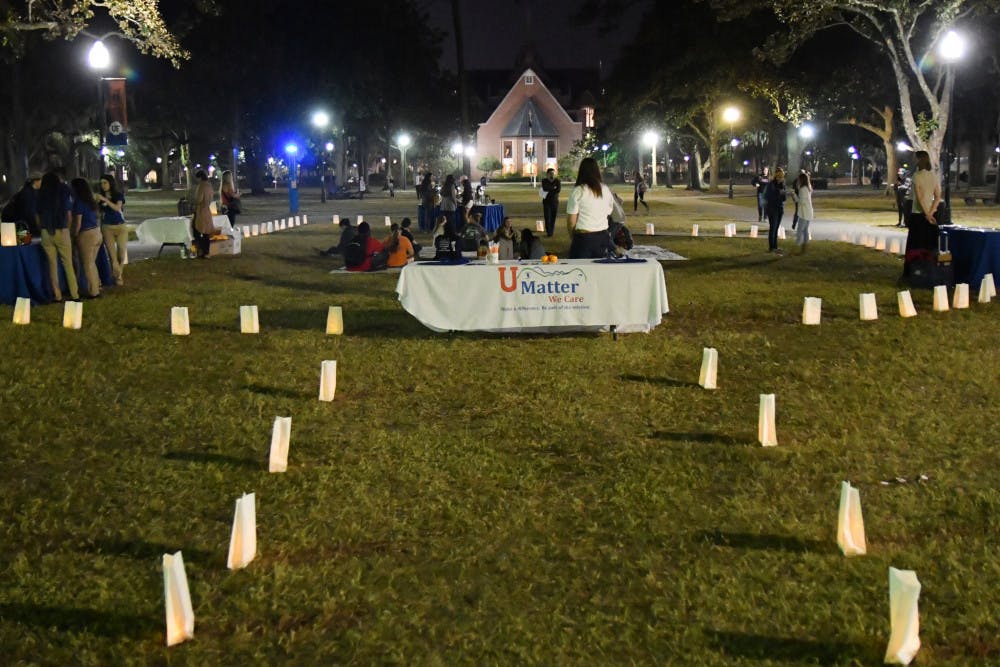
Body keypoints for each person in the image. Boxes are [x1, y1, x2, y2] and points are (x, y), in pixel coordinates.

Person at [36, 171, 79, 301]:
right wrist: (68, 228)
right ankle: (74, 295)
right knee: (68, 263)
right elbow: (69, 214)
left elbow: (37, 215)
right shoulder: (64, 190)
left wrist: (42, 228)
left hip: (46, 231)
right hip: (62, 230)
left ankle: (57, 294)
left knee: (52, 265)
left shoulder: (40, 193)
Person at [566, 157, 615, 259]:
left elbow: (571, 221)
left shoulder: (579, 191)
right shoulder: (605, 189)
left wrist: (573, 237)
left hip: (584, 238)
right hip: (603, 237)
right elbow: (608, 211)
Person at [903, 150, 942, 275]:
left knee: (915, 245)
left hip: (918, 215)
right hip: (930, 215)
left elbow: (919, 199)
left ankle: (913, 271)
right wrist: (931, 213)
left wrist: (926, 214)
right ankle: (929, 271)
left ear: (919, 160)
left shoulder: (917, 176)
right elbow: (937, 197)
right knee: (929, 246)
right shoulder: (933, 176)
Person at [70, 178, 103, 298]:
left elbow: (78, 223)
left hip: (86, 234)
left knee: (88, 264)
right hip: (97, 232)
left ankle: (94, 291)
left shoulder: (78, 202)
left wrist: (74, 235)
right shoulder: (90, 201)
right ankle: (96, 286)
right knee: (92, 263)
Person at [95, 174, 127, 285]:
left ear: (110, 183)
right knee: (112, 255)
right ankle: (118, 278)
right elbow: (98, 212)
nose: (103, 185)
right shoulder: (100, 197)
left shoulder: (118, 195)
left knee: (121, 253)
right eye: (101, 183)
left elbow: (117, 208)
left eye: (105, 183)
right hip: (107, 227)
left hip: (120, 226)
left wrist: (106, 200)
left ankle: (119, 272)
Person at [191, 169, 218, 258]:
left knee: (196, 230)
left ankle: (201, 250)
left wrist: (193, 201)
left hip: (201, 210)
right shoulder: (209, 186)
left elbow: (199, 199)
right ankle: (207, 252)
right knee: (206, 232)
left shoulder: (202, 186)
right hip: (207, 210)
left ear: (200, 178)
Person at [763, 167, 786, 254]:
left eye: (782, 176)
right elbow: (767, 196)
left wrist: (783, 194)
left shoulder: (782, 184)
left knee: (776, 228)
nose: (780, 178)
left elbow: (784, 198)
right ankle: (771, 247)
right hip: (772, 209)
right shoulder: (771, 184)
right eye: (779, 176)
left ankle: (775, 247)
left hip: (779, 208)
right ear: (776, 176)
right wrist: (777, 193)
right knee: (773, 228)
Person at [792, 172, 813, 253]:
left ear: (801, 180)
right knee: (805, 230)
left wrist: (794, 195)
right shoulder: (808, 188)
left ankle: (797, 246)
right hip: (808, 211)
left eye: (799, 179)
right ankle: (805, 246)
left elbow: (801, 201)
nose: (798, 181)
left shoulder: (803, 189)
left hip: (804, 213)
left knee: (800, 230)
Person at [541, 167, 561, 237]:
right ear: (547, 174)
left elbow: (558, 190)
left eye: (553, 173)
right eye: (550, 173)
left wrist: (550, 190)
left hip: (555, 202)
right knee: (547, 218)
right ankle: (548, 231)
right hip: (546, 202)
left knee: (553, 218)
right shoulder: (544, 181)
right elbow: (544, 188)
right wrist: (553, 189)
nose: (552, 175)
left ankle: (551, 231)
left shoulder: (557, 181)